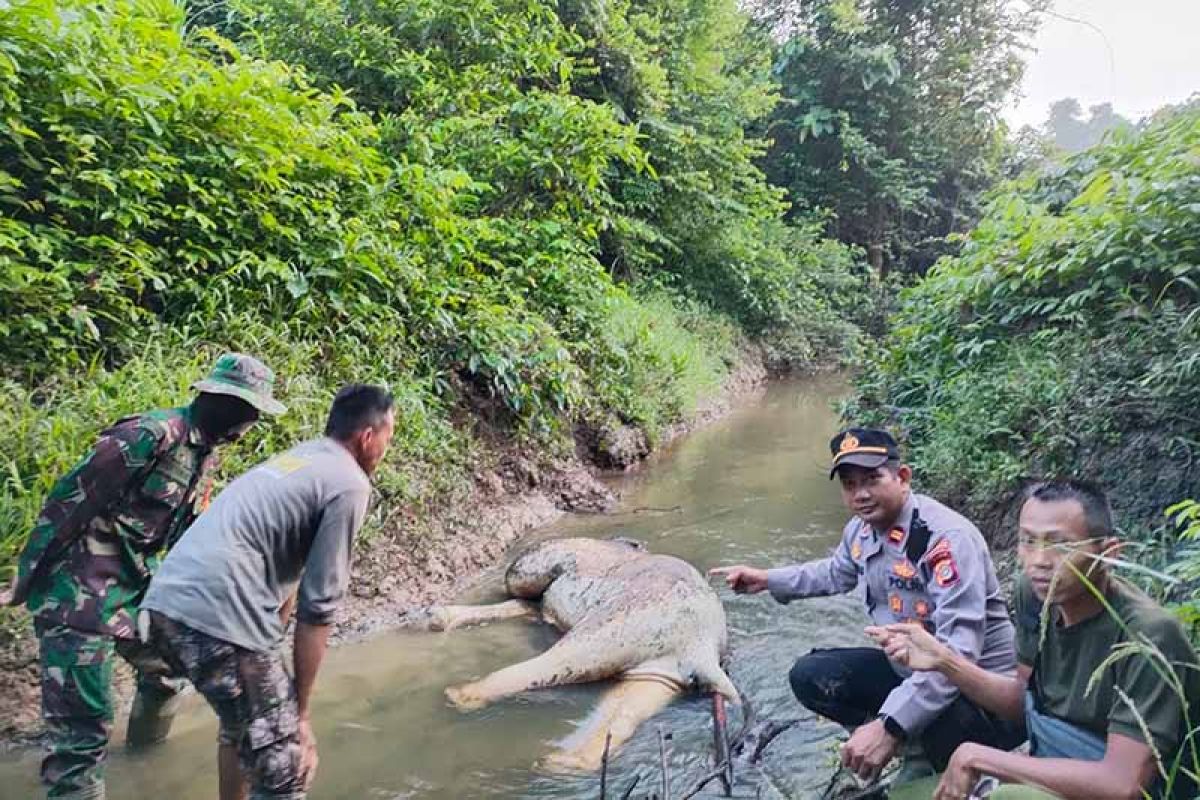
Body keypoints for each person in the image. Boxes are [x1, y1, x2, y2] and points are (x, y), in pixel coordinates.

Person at [0, 353, 285, 800]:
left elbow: (188, 535)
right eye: (250, 412)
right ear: (226, 403)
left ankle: (145, 761)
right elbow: (68, 501)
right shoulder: (147, 435)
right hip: (77, 597)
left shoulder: (202, 453)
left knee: (168, 673)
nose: (251, 424)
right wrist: (26, 577)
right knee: (82, 739)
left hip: (134, 595)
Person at [711, 428, 1023, 784]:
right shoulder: (861, 531)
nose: (860, 494)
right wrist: (768, 579)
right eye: (849, 484)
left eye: (872, 479)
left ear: (902, 477)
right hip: (912, 672)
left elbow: (958, 655)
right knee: (813, 675)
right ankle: (910, 744)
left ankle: (955, 765)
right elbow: (835, 572)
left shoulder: (944, 540)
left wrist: (890, 725)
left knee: (930, 709)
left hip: (979, 695)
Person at [141, 383, 396, 800]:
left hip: (165, 605)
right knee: (286, 763)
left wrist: (269, 660)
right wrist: (301, 713)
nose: (388, 447)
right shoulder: (350, 483)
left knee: (245, 729)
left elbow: (287, 578)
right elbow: (319, 609)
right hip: (218, 615)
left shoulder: (303, 459)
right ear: (368, 436)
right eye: (389, 435)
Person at [870, 479, 1200, 800]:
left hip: (1137, 786)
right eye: (1028, 541)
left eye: (1060, 545)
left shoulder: (1147, 633)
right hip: (1057, 759)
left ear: (1110, 553)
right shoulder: (1035, 593)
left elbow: (1124, 784)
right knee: (906, 795)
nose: (1039, 561)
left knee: (1009, 796)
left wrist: (981, 758)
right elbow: (1023, 705)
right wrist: (945, 661)